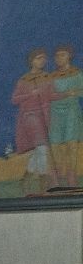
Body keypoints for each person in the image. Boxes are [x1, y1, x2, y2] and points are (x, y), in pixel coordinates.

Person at [11, 48, 54, 191]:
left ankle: (26, 178)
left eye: (44, 58)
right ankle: (43, 180)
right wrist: (31, 94)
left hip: (45, 116)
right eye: (38, 58)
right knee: (42, 147)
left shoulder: (47, 77)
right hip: (30, 116)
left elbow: (52, 95)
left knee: (38, 150)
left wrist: (68, 94)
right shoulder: (24, 80)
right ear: (32, 61)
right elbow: (15, 99)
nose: (42, 61)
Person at [48, 44, 83, 188]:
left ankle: (71, 177)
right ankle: (56, 179)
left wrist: (75, 92)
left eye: (62, 55)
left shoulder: (76, 73)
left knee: (71, 144)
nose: (59, 58)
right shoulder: (51, 76)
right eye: (57, 56)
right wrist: (64, 94)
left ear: (69, 56)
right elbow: (48, 95)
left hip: (71, 112)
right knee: (55, 145)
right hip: (55, 112)